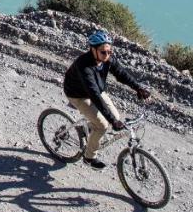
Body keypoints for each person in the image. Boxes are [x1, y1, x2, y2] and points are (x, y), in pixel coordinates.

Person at [63, 30, 151, 169]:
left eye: (110, 51)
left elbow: (121, 74)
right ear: (93, 49)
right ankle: (89, 157)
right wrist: (111, 121)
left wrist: (138, 88)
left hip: (96, 90)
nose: (107, 55)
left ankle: (88, 130)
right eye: (104, 52)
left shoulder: (107, 59)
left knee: (115, 116)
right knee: (103, 125)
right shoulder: (84, 66)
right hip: (78, 94)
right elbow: (94, 96)